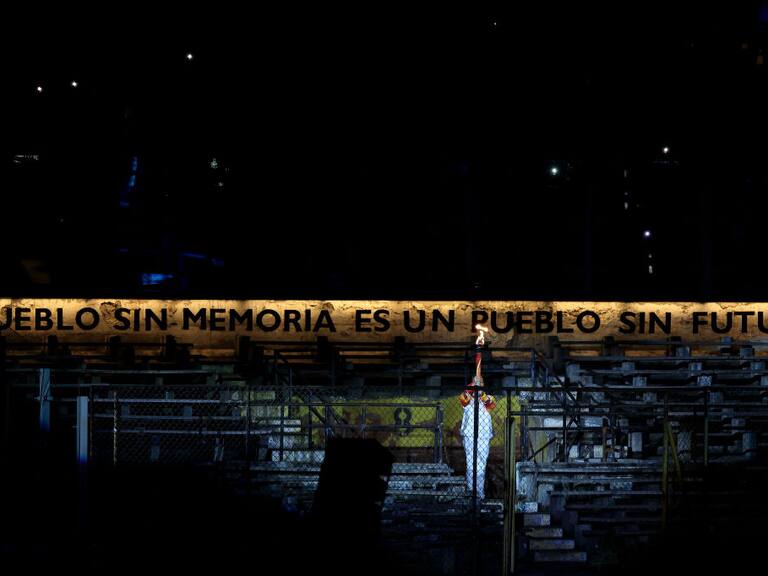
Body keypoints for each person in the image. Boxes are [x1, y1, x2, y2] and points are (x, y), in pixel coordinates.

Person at [459, 375, 496, 500]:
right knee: (470, 464)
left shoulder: (488, 398)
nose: (477, 384)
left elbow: (490, 405)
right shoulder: (467, 398)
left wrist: (481, 393)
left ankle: (479, 493)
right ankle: (470, 491)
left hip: (484, 436)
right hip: (469, 434)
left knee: (481, 465)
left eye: (480, 382)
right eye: (475, 382)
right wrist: (472, 388)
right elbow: (463, 399)